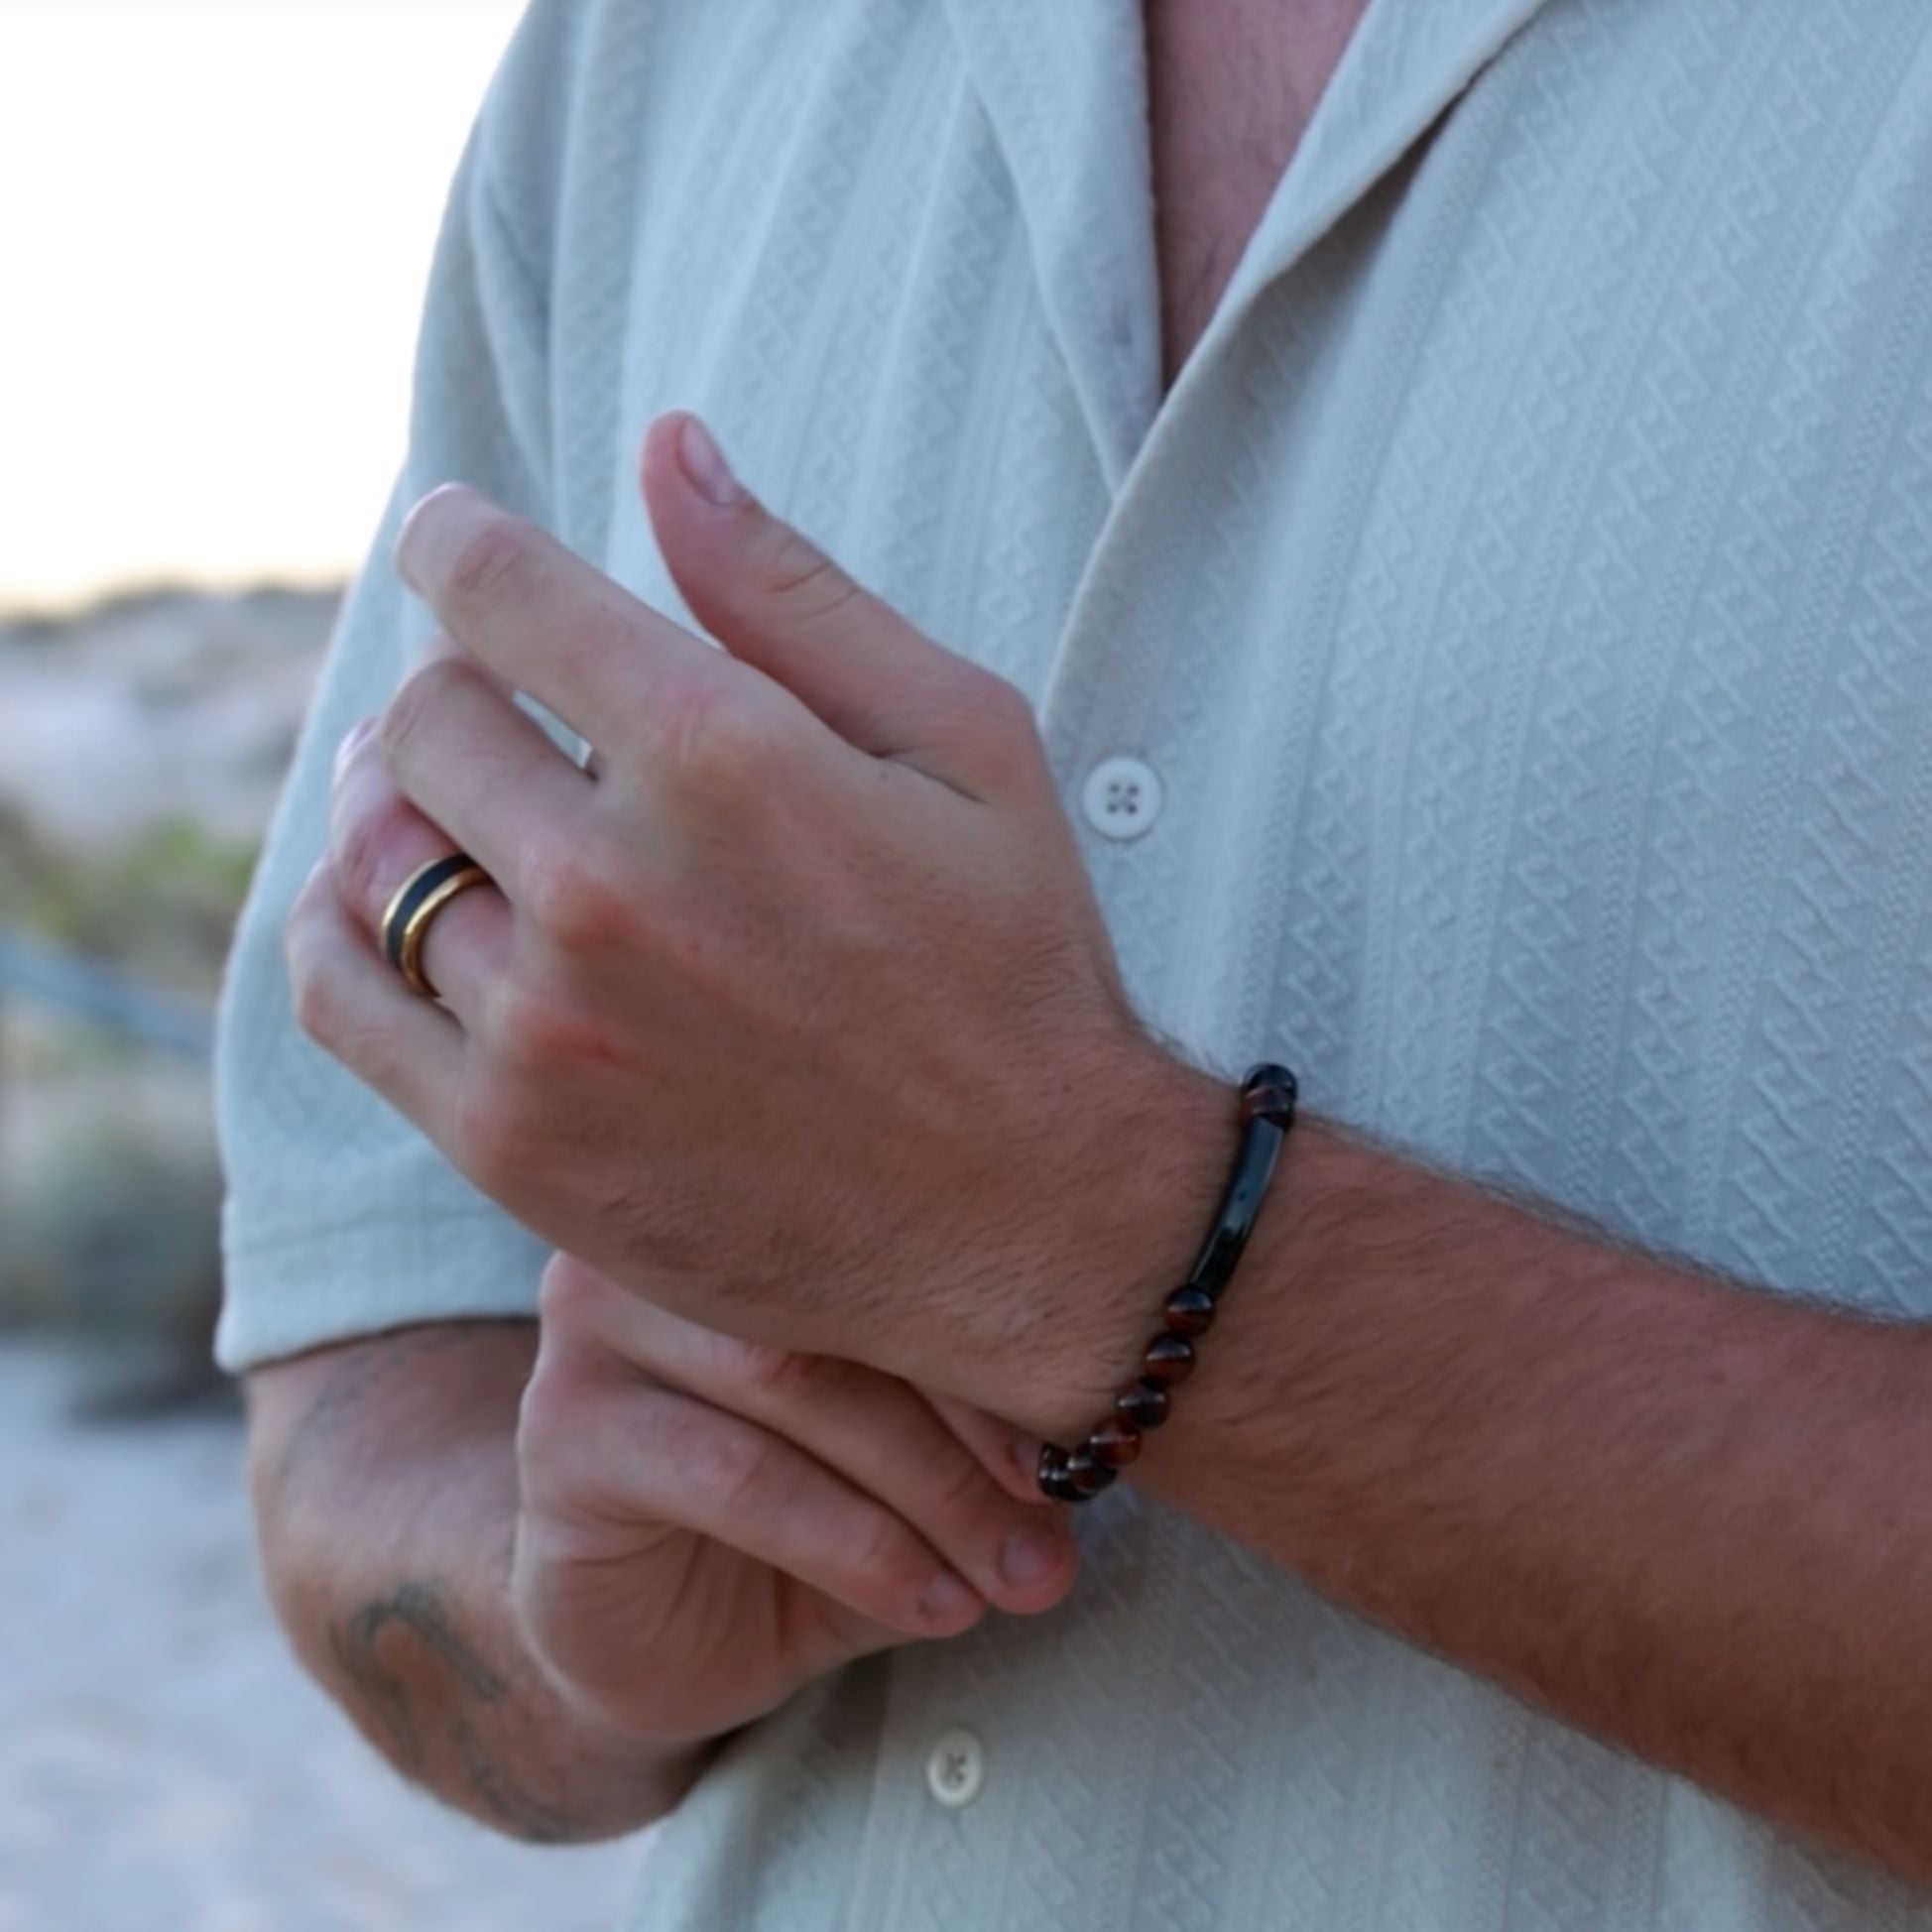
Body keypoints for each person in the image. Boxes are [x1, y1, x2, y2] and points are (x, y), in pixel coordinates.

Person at [218, 0, 1932, 1924]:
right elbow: (363, 1382)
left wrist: (1092, 1233)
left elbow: (1029, 1217)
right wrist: (573, 1599)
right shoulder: (647, 48)